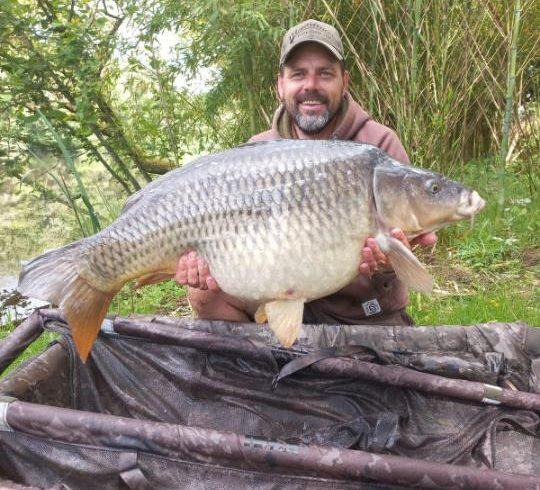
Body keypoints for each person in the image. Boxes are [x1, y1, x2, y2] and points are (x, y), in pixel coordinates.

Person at [175, 19, 436, 327]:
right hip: (280, 289)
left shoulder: (378, 145)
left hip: (362, 312)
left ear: (344, 81)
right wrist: (203, 261)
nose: (311, 85)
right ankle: (259, 361)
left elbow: (405, 251)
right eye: (298, 74)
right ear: (280, 85)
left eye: (325, 73)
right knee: (204, 293)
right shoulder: (257, 153)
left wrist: (387, 265)